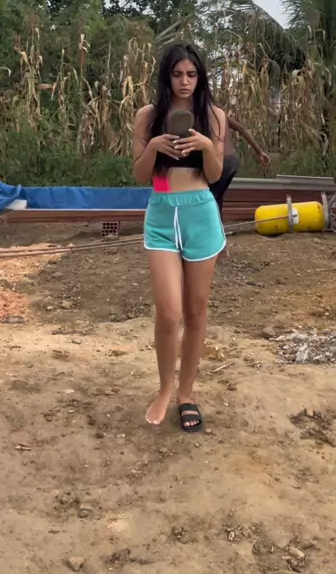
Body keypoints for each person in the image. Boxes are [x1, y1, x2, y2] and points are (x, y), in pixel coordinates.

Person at [132, 41, 226, 433]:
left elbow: (215, 175)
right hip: (161, 214)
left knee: (195, 312)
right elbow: (140, 175)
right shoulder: (148, 116)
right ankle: (165, 387)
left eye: (191, 74)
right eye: (177, 74)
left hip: (200, 213)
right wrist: (154, 146)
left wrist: (206, 145)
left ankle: (187, 393)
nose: (184, 81)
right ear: (166, 77)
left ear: (200, 77)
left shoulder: (213, 116)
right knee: (168, 313)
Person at [209, 115, 270, 221]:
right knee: (217, 196)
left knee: (211, 196)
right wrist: (259, 152)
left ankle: (214, 225)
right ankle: (218, 224)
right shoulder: (218, 112)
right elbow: (241, 128)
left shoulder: (201, 112)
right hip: (232, 160)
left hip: (219, 161)